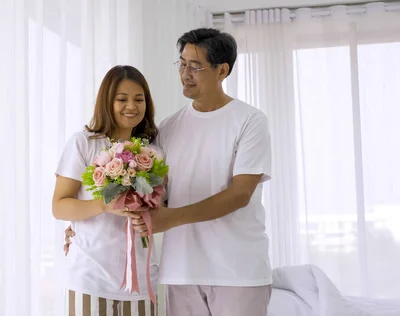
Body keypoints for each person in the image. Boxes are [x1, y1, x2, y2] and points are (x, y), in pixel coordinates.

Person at [65, 28, 272, 316]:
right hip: (180, 272)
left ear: (222, 70)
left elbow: (240, 195)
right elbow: (150, 196)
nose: (185, 73)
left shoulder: (249, 121)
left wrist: (168, 219)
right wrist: (82, 223)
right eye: (182, 63)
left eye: (195, 66)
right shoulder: (167, 129)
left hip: (236, 271)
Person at [53, 65, 159, 316]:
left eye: (139, 99)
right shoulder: (84, 143)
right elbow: (59, 206)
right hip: (90, 277)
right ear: (106, 102)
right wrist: (104, 205)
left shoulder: (155, 151)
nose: (131, 106)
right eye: (121, 99)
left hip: (141, 280)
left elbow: (162, 208)